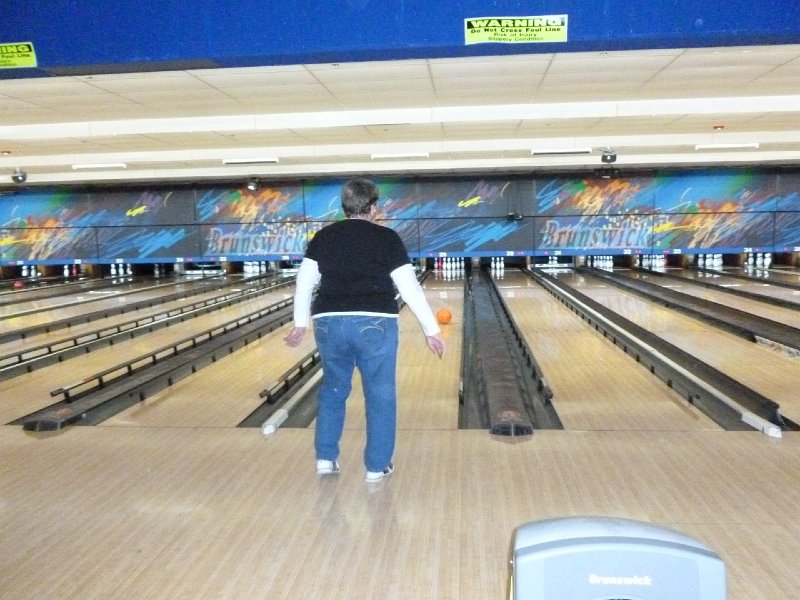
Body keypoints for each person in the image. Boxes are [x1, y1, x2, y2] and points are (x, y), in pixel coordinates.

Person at [284, 177, 445, 483]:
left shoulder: (323, 236)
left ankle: (325, 459)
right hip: (376, 320)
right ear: (373, 208)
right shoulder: (387, 238)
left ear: (345, 206)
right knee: (380, 394)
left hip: (329, 320)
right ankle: (376, 466)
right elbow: (409, 288)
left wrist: (300, 323)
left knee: (333, 389)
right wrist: (431, 330)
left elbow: (304, 282)